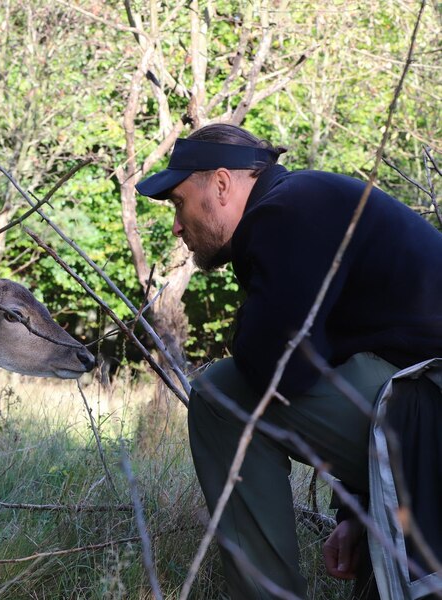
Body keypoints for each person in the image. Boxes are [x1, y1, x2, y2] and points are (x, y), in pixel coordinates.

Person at [134, 123, 442, 599]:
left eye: (178, 202)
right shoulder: (305, 203)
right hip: (420, 415)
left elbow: (281, 369)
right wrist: (355, 512)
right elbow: (356, 355)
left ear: (221, 183)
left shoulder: (288, 212)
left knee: (220, 395)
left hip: (430, 416)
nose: (177, 225)